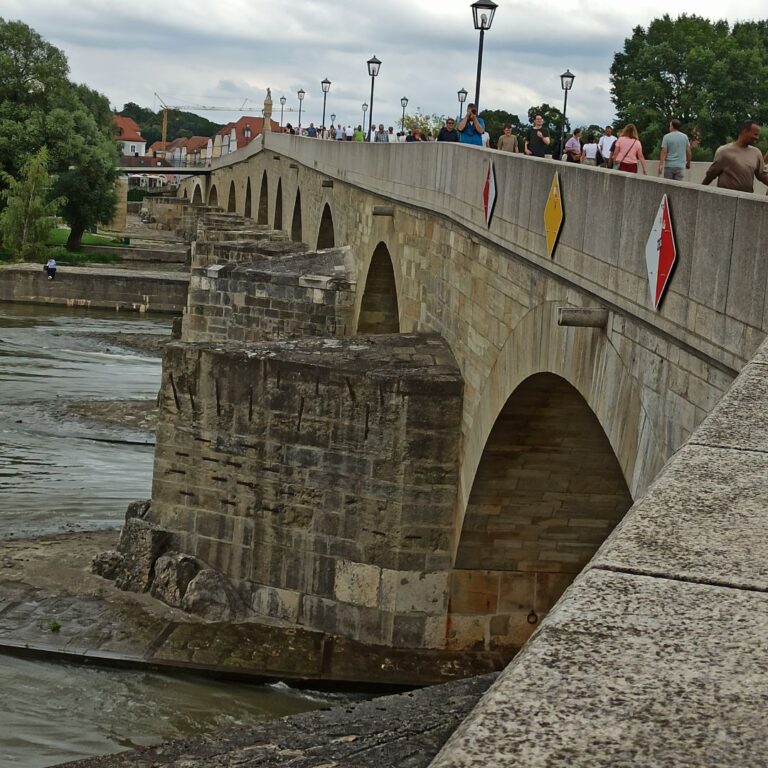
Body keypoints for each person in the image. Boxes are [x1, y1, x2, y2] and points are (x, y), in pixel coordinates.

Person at [702, 120, 768, 193]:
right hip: (726, 198)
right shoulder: (724, 151)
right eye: (755, 134)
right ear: (745, 131)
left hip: (746, 199)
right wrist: (700, 189)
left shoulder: (756, 153)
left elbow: (762, 175)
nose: (757, 138)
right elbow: (711, 174)